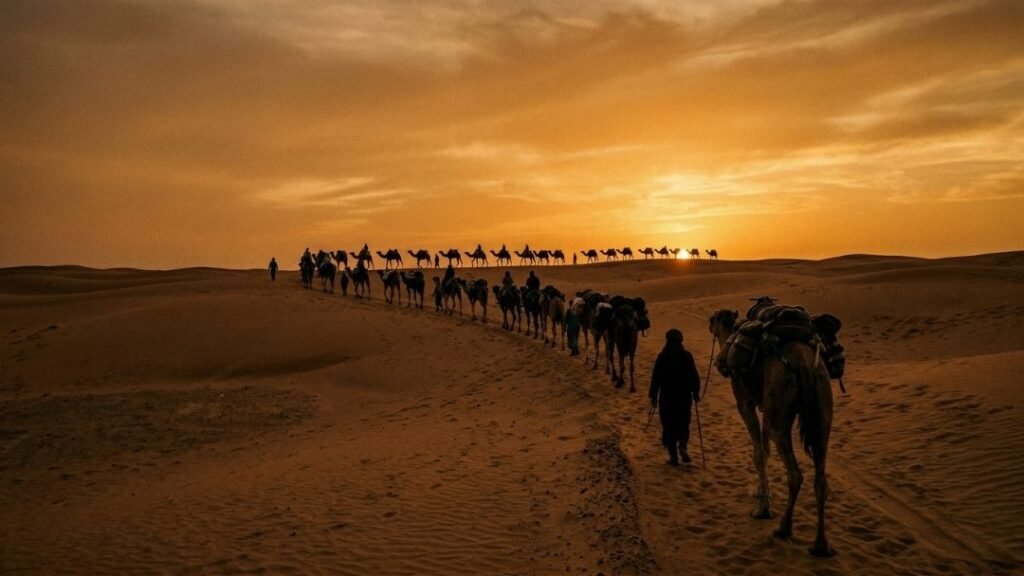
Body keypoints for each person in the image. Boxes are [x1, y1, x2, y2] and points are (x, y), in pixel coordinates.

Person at [649, 328, 701, 466]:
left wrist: (653, 396)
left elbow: (656, 378)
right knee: (684, 422)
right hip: (683, 396)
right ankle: (683, 446)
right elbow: (694, 376)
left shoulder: (662, 356)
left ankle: (673, 456)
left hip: (666, 397)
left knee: (668, 425)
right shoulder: (686, 355)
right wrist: (696, 392)